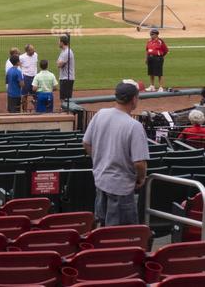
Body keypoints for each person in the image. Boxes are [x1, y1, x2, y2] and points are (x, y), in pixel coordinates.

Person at [82, 81, 150, 227]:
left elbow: (86, 143)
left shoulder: (100, 114)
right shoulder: (134, 126)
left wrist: (101, 160)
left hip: (101, 181)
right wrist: (141, 178)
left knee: (102, 228)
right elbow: (139, 163)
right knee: (121, 233)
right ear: (134, 99)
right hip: (122, 188)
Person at [57, 35, 76, 110]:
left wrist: (59, 63)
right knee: (62, 98)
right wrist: (59, 63)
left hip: (67, 78)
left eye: (59, 41)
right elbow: (58, 62)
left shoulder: (67, 52)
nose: (58, 43)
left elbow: (59, 65)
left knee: (66, 99)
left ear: (62, 42)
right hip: (64, 78)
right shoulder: (63, 51)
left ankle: (66, 112)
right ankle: (64, 111)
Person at [18, 45, 38, 113]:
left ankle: (37, 109)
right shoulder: (21, 57)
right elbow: (19, 67)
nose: (33, 51)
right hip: (26, 77)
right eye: (32, 50)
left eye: (33, 49)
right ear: (27, 51)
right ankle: (24, 111)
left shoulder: (35, 55)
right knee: (24, 95)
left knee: (36, 94)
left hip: (35, 78)